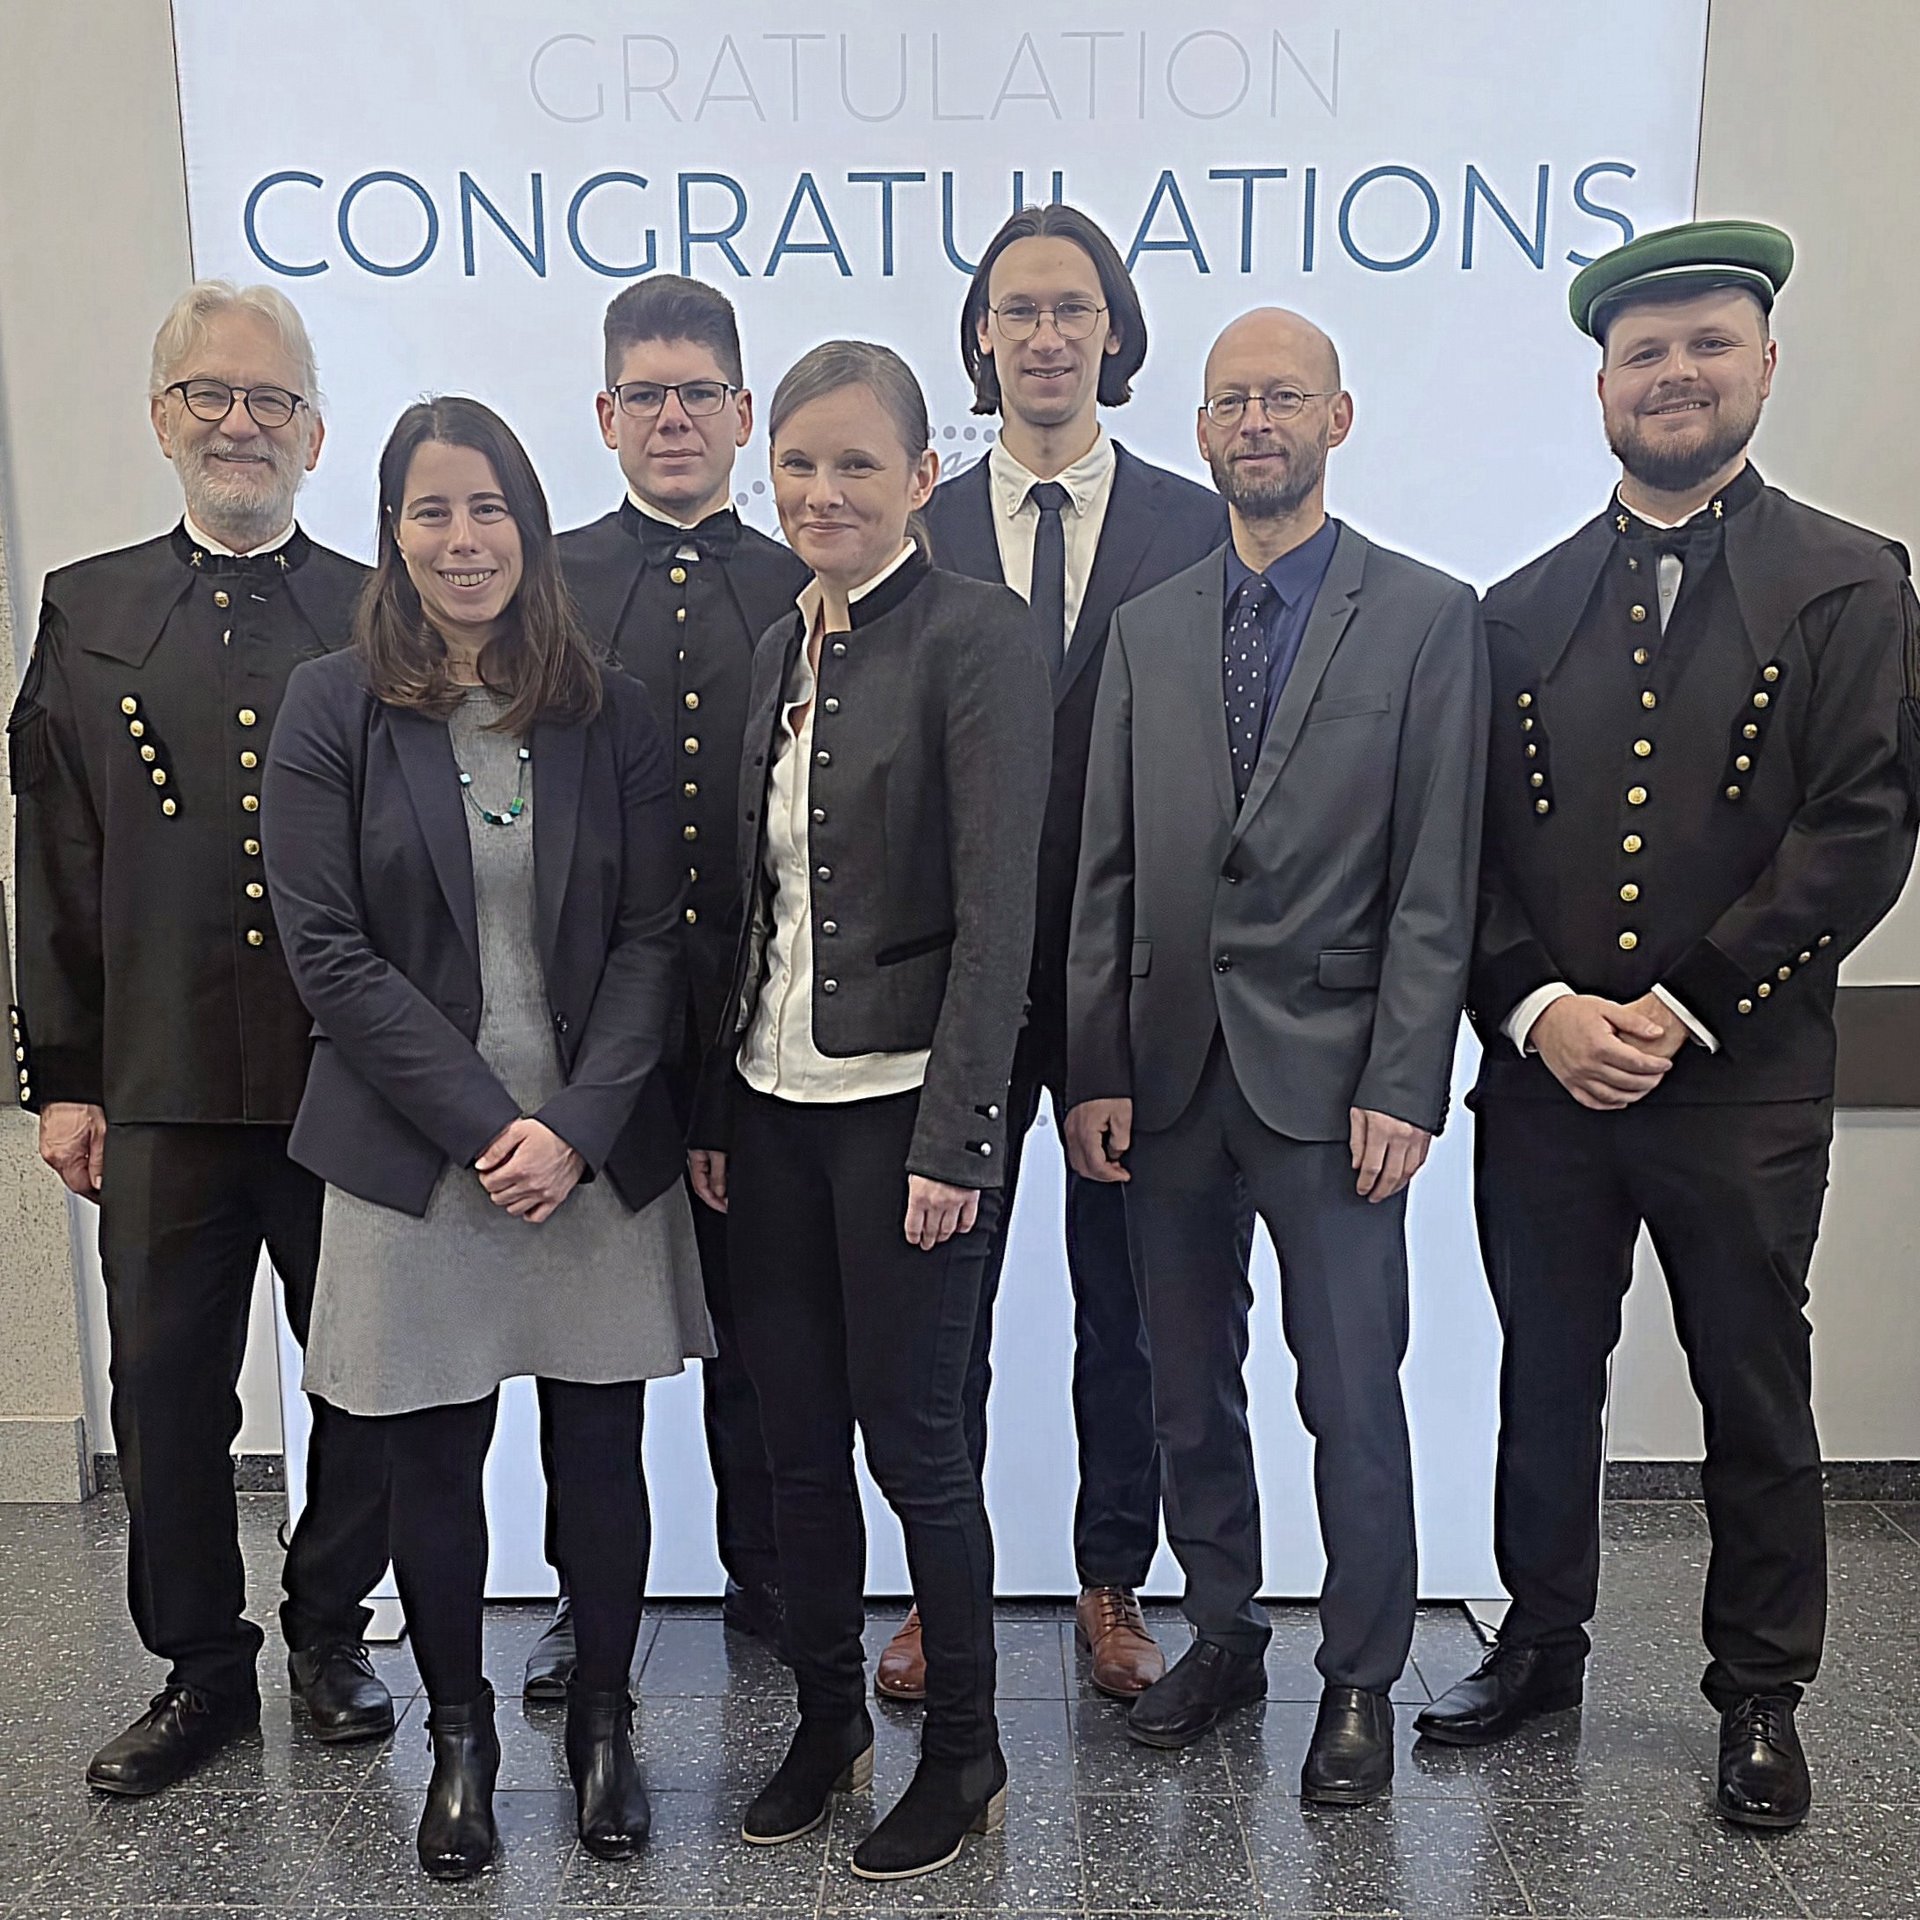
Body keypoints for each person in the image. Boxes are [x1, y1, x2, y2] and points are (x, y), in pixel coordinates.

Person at [1417, 220, 1920, 1832]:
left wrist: (1685, 1004)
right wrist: (1540, 1009)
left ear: (1765, 363)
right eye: (1646, 352)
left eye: (1710, 344)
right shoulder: (1513, 611)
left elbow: (1861, 831)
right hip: (1546, 1085)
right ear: (1603, 385)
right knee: (1544, 1379)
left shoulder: (1853, 580)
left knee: (1753, 1393)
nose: (1677, 374)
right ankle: (1539, 1644)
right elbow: (1465, 856)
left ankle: (1760, 1694)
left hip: (1742, 1082)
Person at [262, 396, 712, 1879]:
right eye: (432, 511)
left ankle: (603, 1727)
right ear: (393, 532)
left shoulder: (608, 706)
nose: (465, 541)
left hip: (591, 1146)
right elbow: (327, 951)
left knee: (602, 1449)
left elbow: (652, 937)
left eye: (490, 508)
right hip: (415, 1150)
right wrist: (486, 1124)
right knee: (430, 1456)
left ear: (530, 524)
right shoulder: (331, 705)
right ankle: (461, 1739)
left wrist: (571, 1129)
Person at [1065, 309, 1489, 1803]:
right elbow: (1108, 873)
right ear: (1198, 429)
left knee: (1352, 1391)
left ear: (1338, 418)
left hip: (1337, 1089)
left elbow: (1437, 879)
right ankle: (1227, 1631)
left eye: (1285, 397)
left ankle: (1361, 1673)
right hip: (1169, 1079)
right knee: (1186, 1387)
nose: (1258, 421)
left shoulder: (1429, 617)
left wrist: (1405, 1082)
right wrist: (1097, 1067)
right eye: (1233, 400)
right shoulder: (1148, 628)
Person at [7, 282, 393, 1796]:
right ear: (161, 418)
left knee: (365, 1378)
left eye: (272, 400)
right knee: (167, 1392)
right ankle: (201, 1668)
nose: (243, 425)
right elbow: (57, 857)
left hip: (343, 1083)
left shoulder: (377, 609)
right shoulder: (87, 607)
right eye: (212, 397)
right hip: (158, 1081)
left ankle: (329, 1633)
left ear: (315, 432)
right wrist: (64, 1077)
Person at [687, 341, 1051, 1880]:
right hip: (769, 1109)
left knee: (920, 1449)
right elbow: (751, 902)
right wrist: (714, 1107)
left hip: (906, 1116)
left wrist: (960, 1140)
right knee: (790, 1448)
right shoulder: (782, 639)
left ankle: (964, 1750)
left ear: (921, 477)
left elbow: (999, 915)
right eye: (797, 464)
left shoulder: (980, 636)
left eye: (855, 464)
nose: (822, 492)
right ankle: (829, 1719)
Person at [872, 202, 1227, 1706]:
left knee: (1123, 1311)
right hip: (947, 986)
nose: (1045, 335)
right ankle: (934, 1594)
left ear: (1114, 333)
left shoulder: (1193, 527)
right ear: (980, 338)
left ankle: (1110, 1581)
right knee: (937, 1311)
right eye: (1017, 310)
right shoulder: (916, 525)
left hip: (1125, 988)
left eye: (1073, 308)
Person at [519, 277, 810, 1698]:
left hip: (771, 1019)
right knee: (591, 1353)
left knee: (769, 1335)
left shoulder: (808, 576)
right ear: (605, 413)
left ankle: (775, 1583)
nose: (675, 417)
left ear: (744, 412)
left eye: (700, 392)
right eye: (647, 393)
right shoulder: (545, 584)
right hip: (590, 1034)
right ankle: (592, 1609)